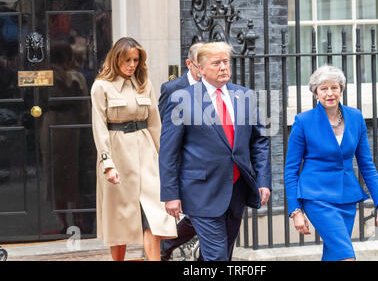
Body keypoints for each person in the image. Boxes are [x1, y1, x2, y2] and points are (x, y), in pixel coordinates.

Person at [159, 41, 271, 261]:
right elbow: (169, 151)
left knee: (222, 255)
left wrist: (263, 180)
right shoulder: (182, 99)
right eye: (216, 63)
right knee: (217, 257)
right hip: (201, 190)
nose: (223, 67)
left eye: (226, 62)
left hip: (236, 190)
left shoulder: (244, 95)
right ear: (200, 69)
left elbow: (259, 142)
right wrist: (170, 194)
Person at [284, 65, 378, 261]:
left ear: (341, 89)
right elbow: (290, 170)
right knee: (346, 255)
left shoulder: (356, 118)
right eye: (323, 89)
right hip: (317, 197)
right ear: (316, 92)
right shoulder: (303, 121)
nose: (330, 93)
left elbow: (366, 164)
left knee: (334, 255)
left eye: (334, 87)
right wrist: (295, 210)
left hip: (346, 198)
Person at [91, 37, 177, 261]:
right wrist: (107, 164)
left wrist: (165, 159)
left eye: (136, 60)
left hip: (146, 152)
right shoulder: (101, 86)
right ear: (116, 59)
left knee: (153, 216)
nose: (132, 64)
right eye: (127, 59)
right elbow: (99, 127)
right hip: (118, 154)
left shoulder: (144, 83)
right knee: (119, 219)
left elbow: (155, 123)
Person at [158, 42, 204, 261]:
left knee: (210, 215)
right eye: (201, 65)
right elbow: (164, 133)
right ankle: (167, 242)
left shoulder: (218, 87)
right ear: (190, 64)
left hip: (210, 165)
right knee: (199, 215)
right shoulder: (172, 89)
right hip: (185, 164)